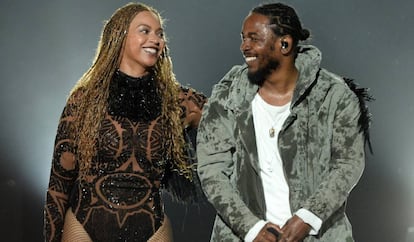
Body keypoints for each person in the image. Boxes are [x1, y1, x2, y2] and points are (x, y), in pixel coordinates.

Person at [197, 2, 372, 242]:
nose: (244, 46)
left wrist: (309, 216)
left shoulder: (334, 96)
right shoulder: (229, 94)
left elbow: (348, 163)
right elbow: (212, 168)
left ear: (285, 44)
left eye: (253, 38)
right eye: (243, 38)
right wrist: (250, 228)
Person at [43, 2, 206, 242]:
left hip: (152, 228)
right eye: (145, 30)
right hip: (84, 227)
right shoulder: (84, 100)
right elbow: (58, 186)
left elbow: (236, 122)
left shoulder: (178, 101)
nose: (156, 39)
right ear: (120, 36)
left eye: (160, 34)